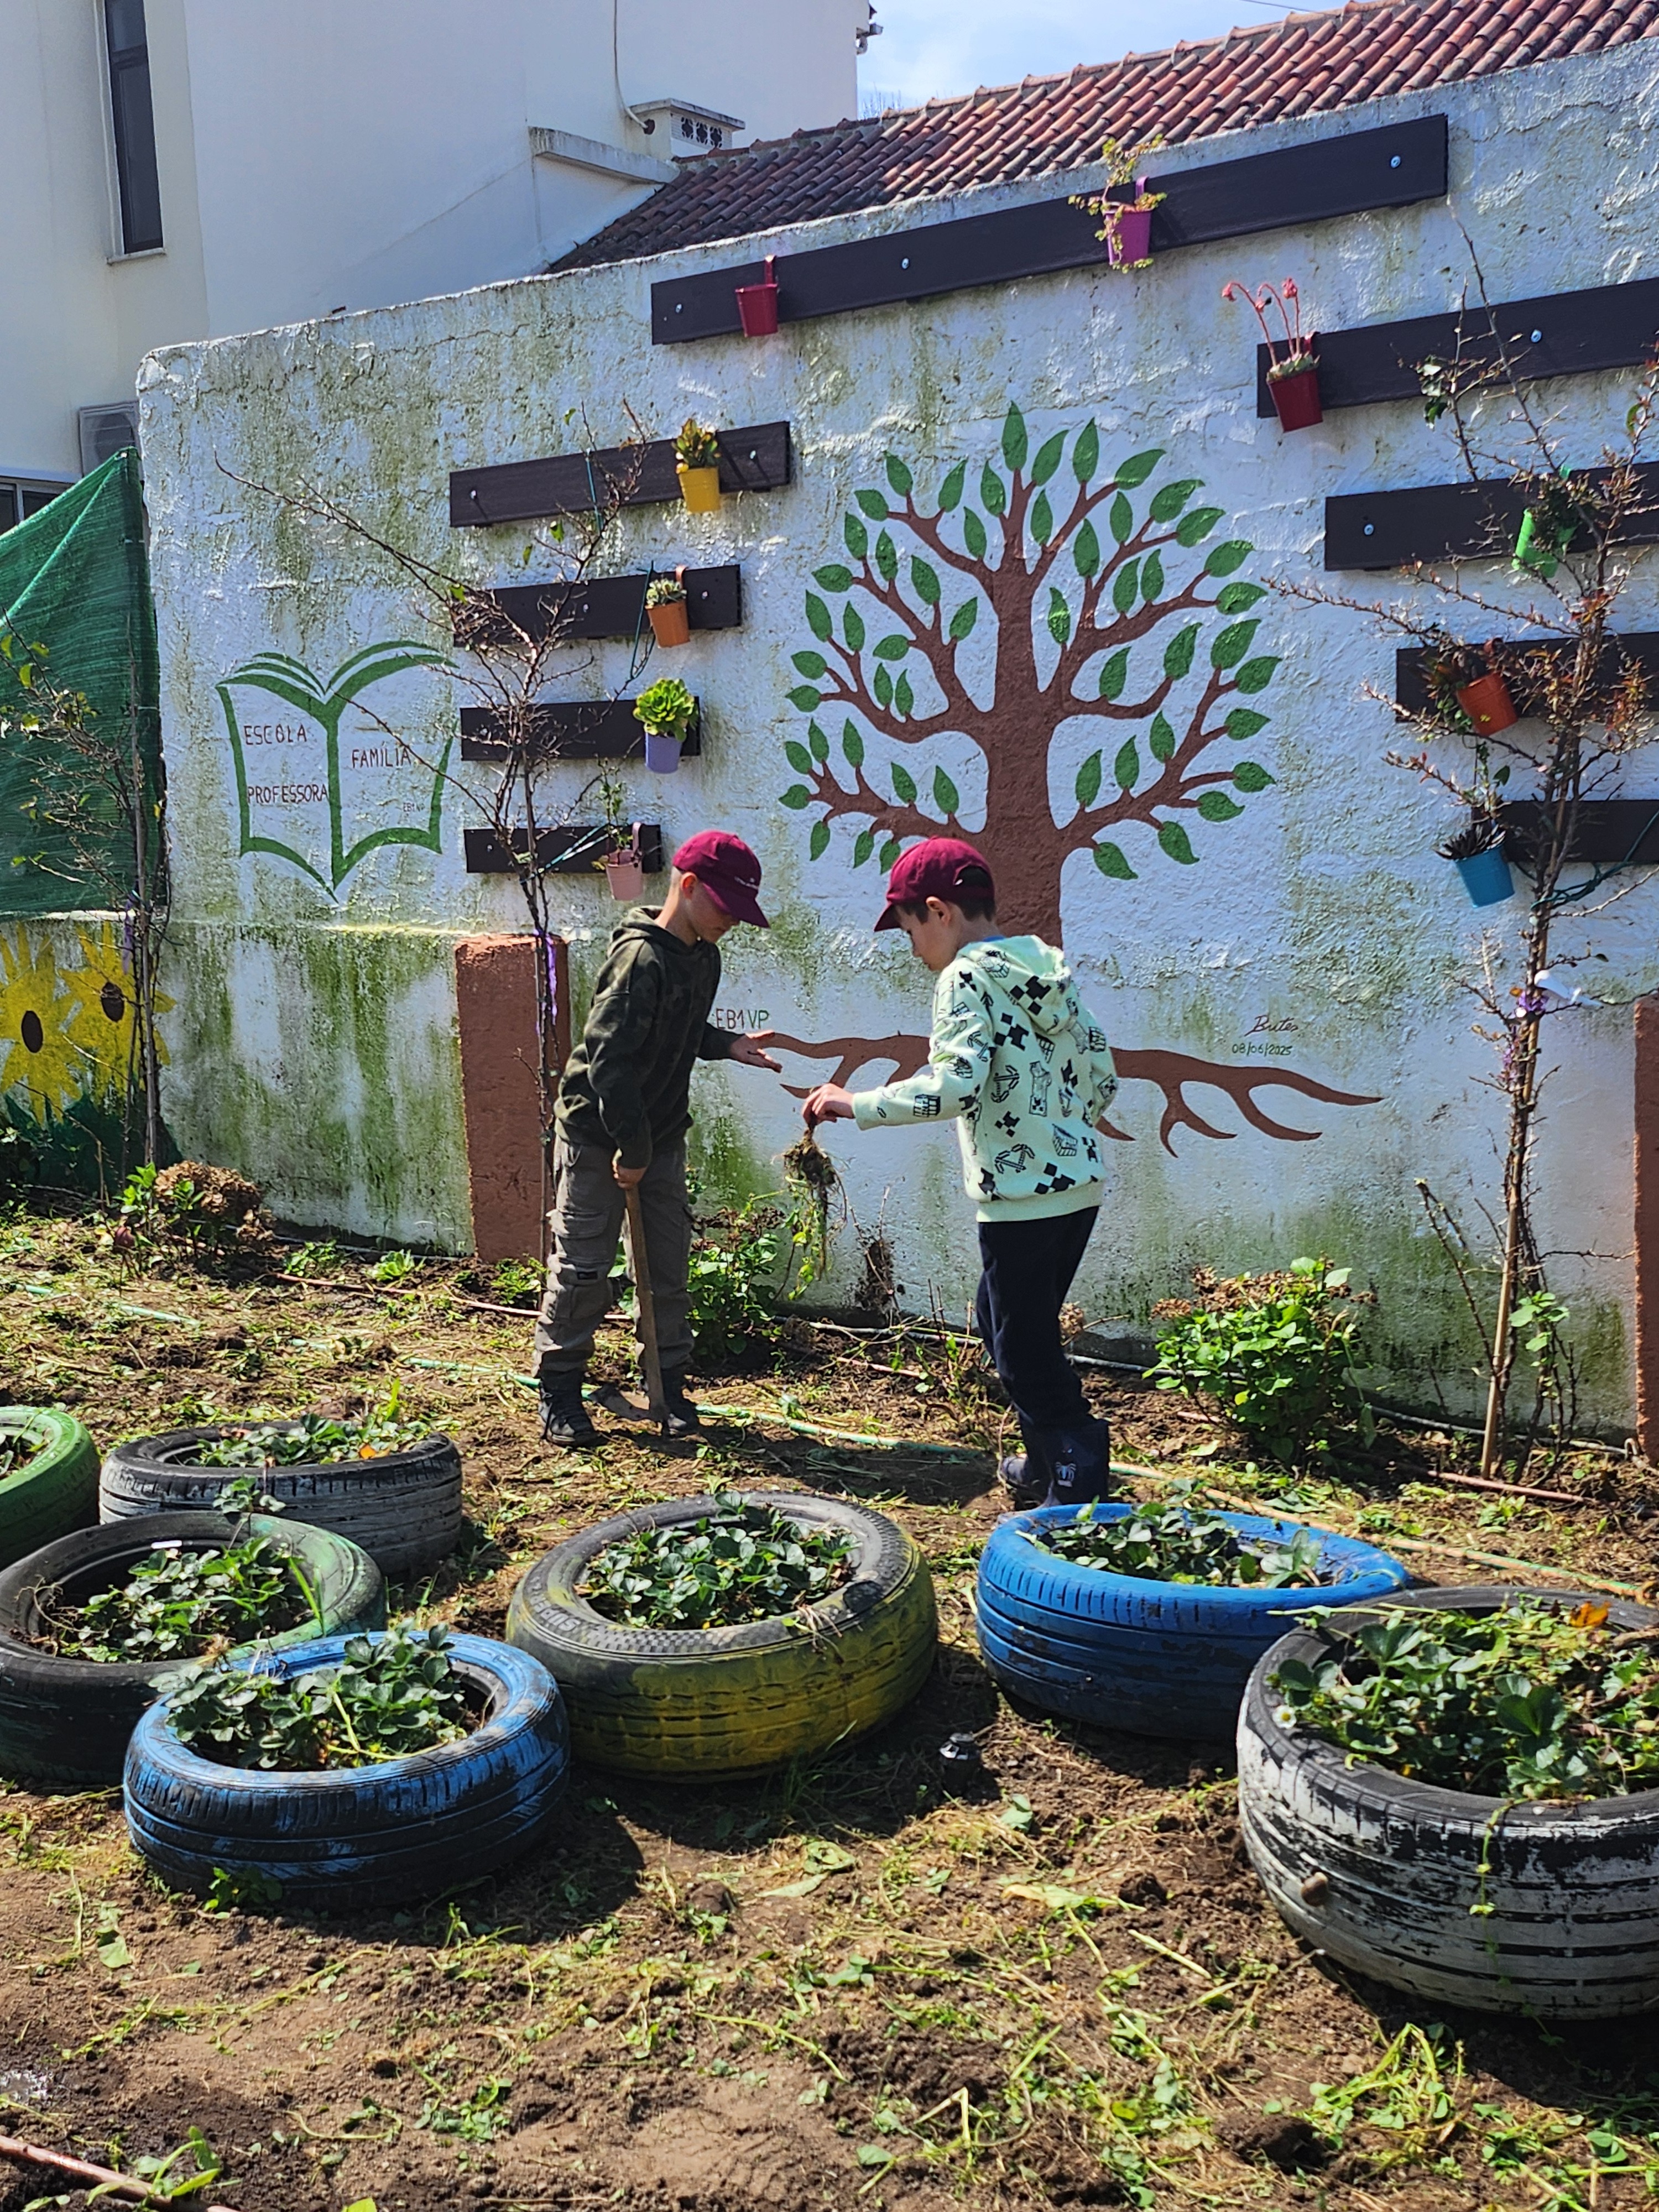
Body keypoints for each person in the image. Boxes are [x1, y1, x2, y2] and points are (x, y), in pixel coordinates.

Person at [801, 836, 1118, 1508]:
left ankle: (1075, 1470)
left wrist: (854, 1104)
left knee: (1023, 1348)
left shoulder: (963, 978)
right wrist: (1061, 1130)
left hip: (1021, 1198)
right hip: (1077, 1186)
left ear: (940, 912)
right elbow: (1102, 1071)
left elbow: (957, 1084)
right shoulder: (1045, 970)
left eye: (910, 928)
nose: (913, 948)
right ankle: (1042, 1462)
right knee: (1001, 1320)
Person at [535, 830, 780, 1446]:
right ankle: (560, 1387)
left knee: (666, 1268)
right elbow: (607, 1062)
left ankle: (667, 1384)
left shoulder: (704, 956)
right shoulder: (639, 960)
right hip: (599, 1137)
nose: (733, 922)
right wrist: (631, 1152)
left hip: (660, 1135)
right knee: (585, 1266)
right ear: (688, 886)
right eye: (725, 907)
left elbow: (683, 1027)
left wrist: (727, 1044)